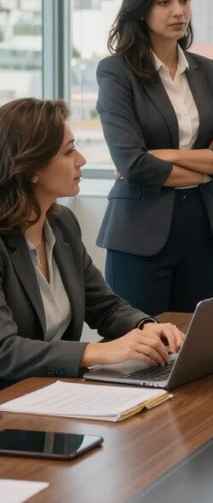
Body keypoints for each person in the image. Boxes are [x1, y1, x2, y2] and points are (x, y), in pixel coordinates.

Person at [96, 0, 213, 316]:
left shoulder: (204, 70)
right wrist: (207, 169)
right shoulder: (117, 72)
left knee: (194, 346)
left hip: (202, 231)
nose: (178, 10)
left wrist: (166, 154)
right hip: (140, 232)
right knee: (141, 349)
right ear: (141, 7)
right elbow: (133, 164)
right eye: (164, 2)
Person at [0, 98, 184, 387]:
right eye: (69, 151)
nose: (81, 160)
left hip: (51, 395)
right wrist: (96, 352)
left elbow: (105, 307)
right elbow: (4, 351)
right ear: (30, 166)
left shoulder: (63, 226)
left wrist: (146, 328)